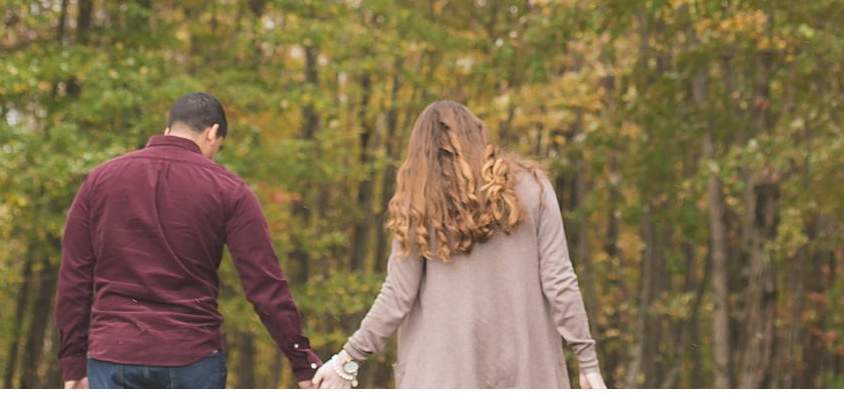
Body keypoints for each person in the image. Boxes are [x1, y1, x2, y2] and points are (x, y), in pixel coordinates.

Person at [316, 101, 606, 390]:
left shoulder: (419, 203)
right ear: (478, 133)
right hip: (526, 374)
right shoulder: (533, 187)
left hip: (442, 377)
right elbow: (559, 279)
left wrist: (348, 360)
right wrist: (587, 360)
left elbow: (397, 295)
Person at [57, 92, 321, 390]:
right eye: (218, 148)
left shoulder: (99, 180)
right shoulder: (230, 189)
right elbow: (265, 286)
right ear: (214, 133)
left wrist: (73, 361)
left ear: (168, 129)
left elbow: (74, 278)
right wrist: (303, 362)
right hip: (192, 357)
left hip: (113, 356)